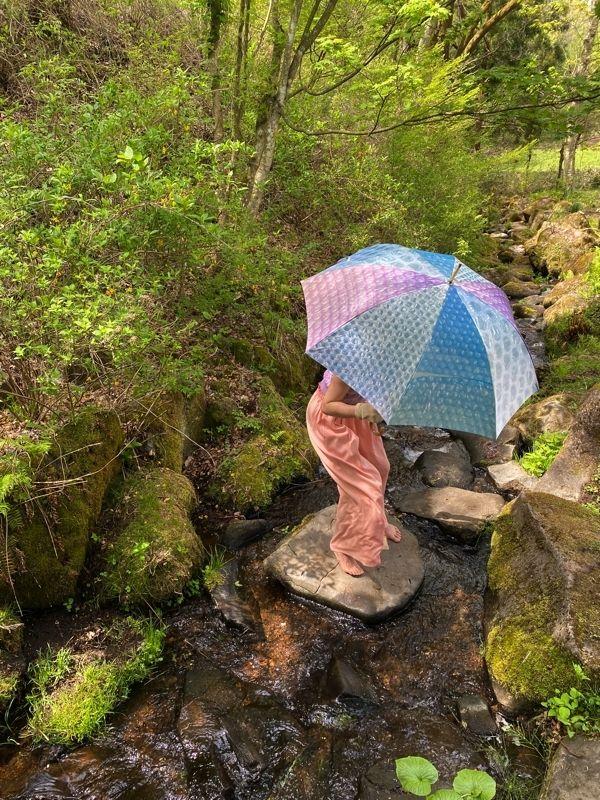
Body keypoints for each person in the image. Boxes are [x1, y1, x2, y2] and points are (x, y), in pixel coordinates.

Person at [305, 369, 401, 576]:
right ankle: (343, 546)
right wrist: (362, 411)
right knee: (361, 486)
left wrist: (374, 418)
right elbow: (328, 406)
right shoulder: (348, 366)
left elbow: (372, 393)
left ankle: (379, 520)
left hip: (356, 416)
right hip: (329, 422)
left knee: (381, 467)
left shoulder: (388, 364)